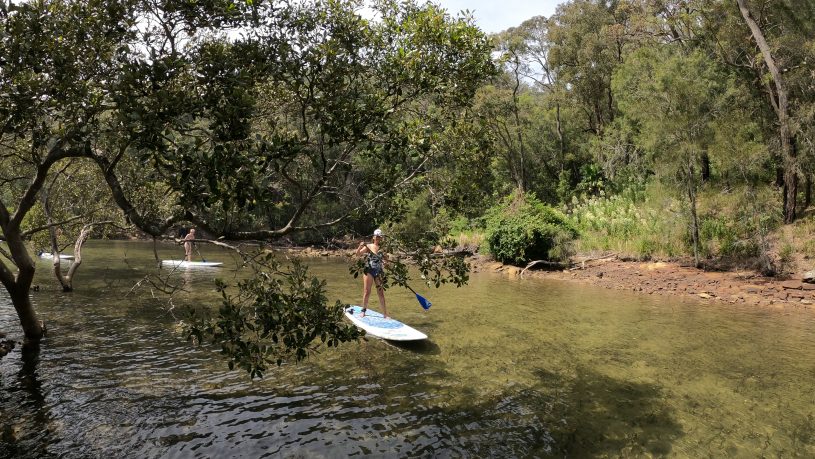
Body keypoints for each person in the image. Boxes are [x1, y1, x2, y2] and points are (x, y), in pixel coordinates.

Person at [356, 228, 387, 318]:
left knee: (381, 293)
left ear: (381, 238)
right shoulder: (368, 246)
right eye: (376, 237)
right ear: (374, 237)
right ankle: (363, 311)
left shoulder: (382, 249)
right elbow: (358, 254)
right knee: (367, 291)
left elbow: (386, 260)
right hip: (368, 270)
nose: (378, 238)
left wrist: (386, 262)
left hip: (378, 272)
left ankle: (385, 314)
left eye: (379, 237)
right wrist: (360, 246)